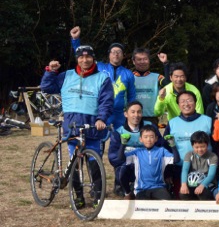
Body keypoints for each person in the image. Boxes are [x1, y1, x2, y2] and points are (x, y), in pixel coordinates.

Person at [41, 45, 114, 206]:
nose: (85, 60)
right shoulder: (66, 76)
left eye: (88, 57)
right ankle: (78, 197)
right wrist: (50, 71)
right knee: (74, 164)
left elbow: (106, 101)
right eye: (81, 57)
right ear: (77, 59)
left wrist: (102, 118)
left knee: (94, 163)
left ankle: (97, 197)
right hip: (72, 127)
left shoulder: (103, 78)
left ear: (93, 58)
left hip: (92, 127)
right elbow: (47, 87)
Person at [70, 26, 136, 130]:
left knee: (120, 142)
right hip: (101, 112)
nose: (116, 54)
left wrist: (131, 112)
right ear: (109, 55)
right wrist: (75, 40)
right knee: (100, 141)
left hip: (120, 114)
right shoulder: (99, 67)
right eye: (113, 52)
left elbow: (132, 96)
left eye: (119, 52)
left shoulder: (128, 73)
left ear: (123, 55)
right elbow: (82, 57)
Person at [108, 101, 163, 198]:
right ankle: (124, 188)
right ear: (126, 114)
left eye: (139, 112)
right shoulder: (119, 131)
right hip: (127, 167)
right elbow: (113, 157)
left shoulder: (150, 127)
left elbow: (161, 145)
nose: (136, 115)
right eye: (132, 112)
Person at [164, 91, 212, 188]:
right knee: (182, 198)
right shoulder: (172, 123)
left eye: (189, 100)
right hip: (179, 169)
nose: (186, 104)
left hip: (205, 169)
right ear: (178, 105)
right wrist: (167, 171)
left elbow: (216, 145)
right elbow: (166, 148)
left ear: (195, 102)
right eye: (182, 101)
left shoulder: (208, 120)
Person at [117, 125, 175, 200]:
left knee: (167, 203)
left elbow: (176, 160)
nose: (149, 139)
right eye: (146, 137)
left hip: (159, 187)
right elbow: (121, 158)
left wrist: (173, 145)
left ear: (156, 138)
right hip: (141, 189)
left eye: (151, 137)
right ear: (140, 139)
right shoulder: (137, 152)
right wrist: (123, 144)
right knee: (141, 208)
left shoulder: (162, 151)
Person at [179, 131, 218, 201]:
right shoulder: (189, 155)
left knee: (202, 193)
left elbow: (211, 175)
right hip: (192, 183)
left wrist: (202, 185)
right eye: (196, 147)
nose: (200, 149)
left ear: (207, 145)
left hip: (207, 184)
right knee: (183, 193)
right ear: (192, 146)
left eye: (202, 146)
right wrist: (184, 184)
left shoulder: (213, 157)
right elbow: (185, 170)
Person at [131, 48, 166, 124]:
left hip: (151, 119)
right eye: (139, 59)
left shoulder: (157, 77)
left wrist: (165, 64)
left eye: (145, 59)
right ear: (133, 61)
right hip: (132, 118)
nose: (142, 62)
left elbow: (169, 83)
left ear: (149, 60)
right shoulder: (129, 77)